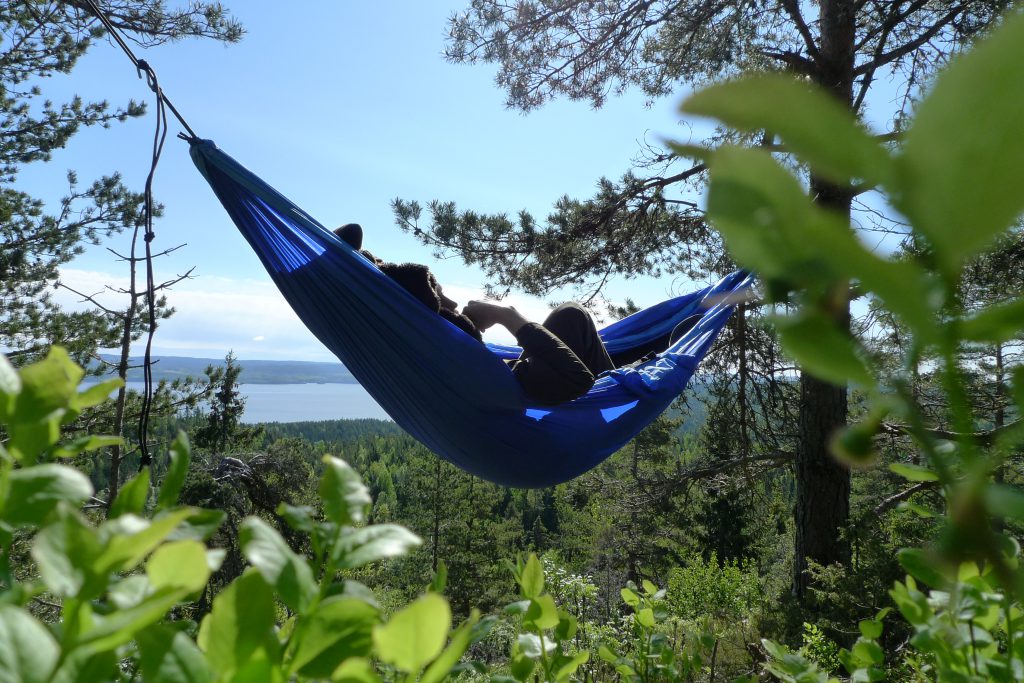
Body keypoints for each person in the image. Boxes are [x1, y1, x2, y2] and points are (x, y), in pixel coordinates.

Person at [334, 223, 614, 405]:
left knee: (569, 317)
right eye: (439, 294)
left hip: (516, 380)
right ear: (427, 306)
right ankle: (619, 380)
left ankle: (623, 367)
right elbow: (579, 379)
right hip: (539, 391)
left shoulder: (426, 346)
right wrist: (506, 315)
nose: (453, 303)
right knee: (572, 315)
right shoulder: (451, 354)